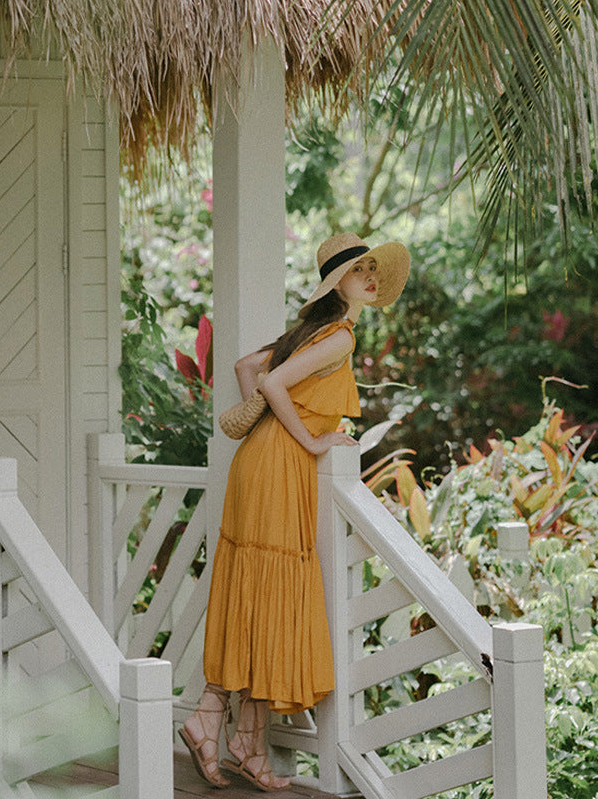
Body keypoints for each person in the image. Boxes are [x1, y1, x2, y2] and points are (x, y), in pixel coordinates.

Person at [178, 232, 410, 792]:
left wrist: (270, 434)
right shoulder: (339, 340)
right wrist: (309, 441)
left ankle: (241, 739)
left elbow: (244, 366)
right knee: (270, 590)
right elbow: (273, 379)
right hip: (282, 465)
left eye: (374, 270)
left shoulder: (313, 333)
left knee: (256, 591)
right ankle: (216, 723)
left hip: (257, 464)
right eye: (360, 270)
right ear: (339, 283)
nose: (371, 277)